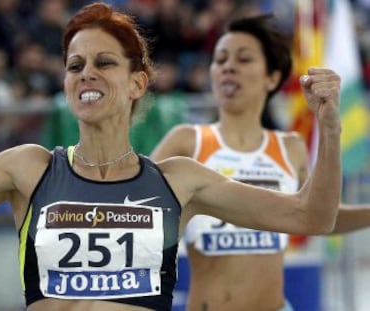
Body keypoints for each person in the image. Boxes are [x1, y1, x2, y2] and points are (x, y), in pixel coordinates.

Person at [0, 3, 342, 311]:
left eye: (104, 62)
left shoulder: (178, 181)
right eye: (76, 66)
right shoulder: (29, 169)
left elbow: (312, 216)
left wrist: (328, 127)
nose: (86, 73)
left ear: (137, 82)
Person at [151, 14, 369, 311]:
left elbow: (319, 216)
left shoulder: (290, 147)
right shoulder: (186, 141)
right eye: (220, 59)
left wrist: (331, 127)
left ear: (272, 77)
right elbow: (137, 213)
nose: (228, 67)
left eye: (243, 59)